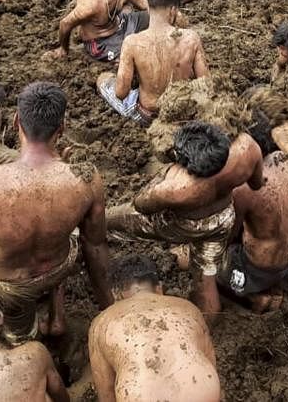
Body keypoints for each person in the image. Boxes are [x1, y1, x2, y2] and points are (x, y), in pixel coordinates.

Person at [0, 81, 113, 343]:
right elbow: (96, 242)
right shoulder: (86, 179)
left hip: (11, 284)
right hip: (59, 265)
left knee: (19, 334)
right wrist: (108, 304)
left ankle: (24, 341)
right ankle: (57, 312)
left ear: (15, 121)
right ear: (62, 129)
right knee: (71, 229)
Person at [108, 121, 262, 314]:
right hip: (222, 219)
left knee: (110, 220)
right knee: (205, 277)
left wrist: (167, 173)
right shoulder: (246, 147)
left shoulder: (176, 189)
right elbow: (256, 185)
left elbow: (141, 205)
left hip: (183, 224)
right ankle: (207, 325)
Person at [88, 255, 219, 402]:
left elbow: (106, 392)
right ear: (159, 289)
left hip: (142, 395)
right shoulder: (188, 308)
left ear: (116, 295)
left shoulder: (101, 323)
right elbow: (210, 360)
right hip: (200, 388)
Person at [216, 108, 288, 313]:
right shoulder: (285, 159)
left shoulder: (244, 189)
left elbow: (228, 237)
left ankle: (255, 297)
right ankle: (274, 284)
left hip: (260, 267)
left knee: (203, 266)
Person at [96, 0, 207, 125]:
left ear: (149, 8)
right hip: (182, 115)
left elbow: (121, 93)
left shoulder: (132, 42)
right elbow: (205, 85)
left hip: (146, 116)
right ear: (173, 11)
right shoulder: (191, 38)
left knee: (102, 78)